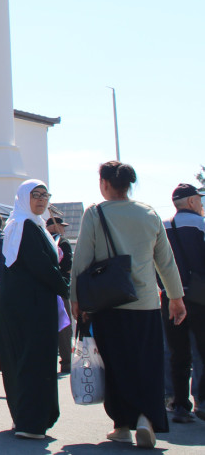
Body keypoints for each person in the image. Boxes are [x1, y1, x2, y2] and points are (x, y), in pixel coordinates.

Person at [70, 162, 186, 448]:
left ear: (105, 184)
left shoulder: (95, 213)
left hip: (108, 303)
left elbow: (81, 260)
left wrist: (77, 299)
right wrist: (176, 297)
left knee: (115, 364)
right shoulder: (149, 213)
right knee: (146, 362)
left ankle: (121, 424)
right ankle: (146, 418)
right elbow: (166, 261)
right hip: (146, 302)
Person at [0, 179, 69, 440]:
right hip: (29, 306)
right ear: (23, 198)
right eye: (35, 195)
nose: (41, 199)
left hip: (26, 304)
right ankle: (30, 420)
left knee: (26, 360)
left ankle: (27, 417)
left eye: (44, 195)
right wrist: (66, 289)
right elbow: (41, 266)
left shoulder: (31, 225)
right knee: (32, 360)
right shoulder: (24, 226)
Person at [163, 183, 205, 424]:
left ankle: (178, 403)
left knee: (176, 352)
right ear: (191, 202)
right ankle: (202, 400)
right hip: (200, 299)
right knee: (202, 351)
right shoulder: (202, 224)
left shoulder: (162, 225)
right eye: (199, 200)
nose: (201, 204)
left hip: (170, 296)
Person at [45, 211, 73, 374]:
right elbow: (68, 264)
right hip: (60, 288)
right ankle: (67, 362)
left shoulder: (41, 239)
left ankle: (47, 360)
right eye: (61, 226)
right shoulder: (62, 242)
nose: (63, 230)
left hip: (44, 288)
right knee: (64, 326)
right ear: (53, 226)